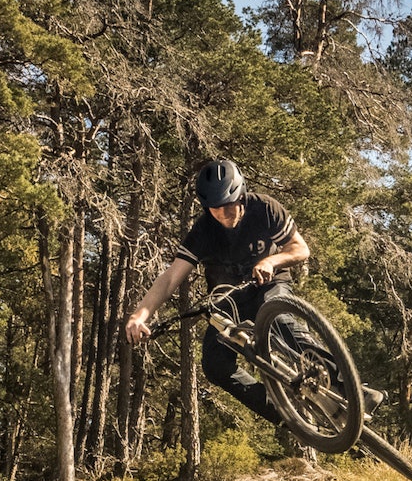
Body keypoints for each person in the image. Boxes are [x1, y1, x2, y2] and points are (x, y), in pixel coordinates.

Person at [124, 159, 382, 430]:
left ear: (241, 195)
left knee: (281, 321)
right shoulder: (203, 230)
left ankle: (354, 392)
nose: (223, 214)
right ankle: (285, 415)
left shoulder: (265, 208)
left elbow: (300, 249)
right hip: (228, 301)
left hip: (269, 285)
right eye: (214, 209)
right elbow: (169, 278)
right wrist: (140, 315)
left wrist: (272, 261)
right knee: (215, 365)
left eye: (228, 205)